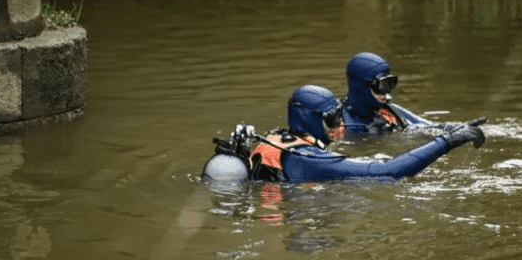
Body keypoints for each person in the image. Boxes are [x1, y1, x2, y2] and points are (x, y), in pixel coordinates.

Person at [202, 84, 485, 183]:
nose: (340, 124)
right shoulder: (307, 159)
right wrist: (446, 142)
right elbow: (387, 172)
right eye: (332, 118)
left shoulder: (279, 138)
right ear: (311, 120)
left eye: (339, 114)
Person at [340, 52, 439, 135]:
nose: (387, 92)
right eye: (382, 85)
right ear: (361, 87)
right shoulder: (340, 122)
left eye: (390, 83)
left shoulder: (388, 110)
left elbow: (431, 127)